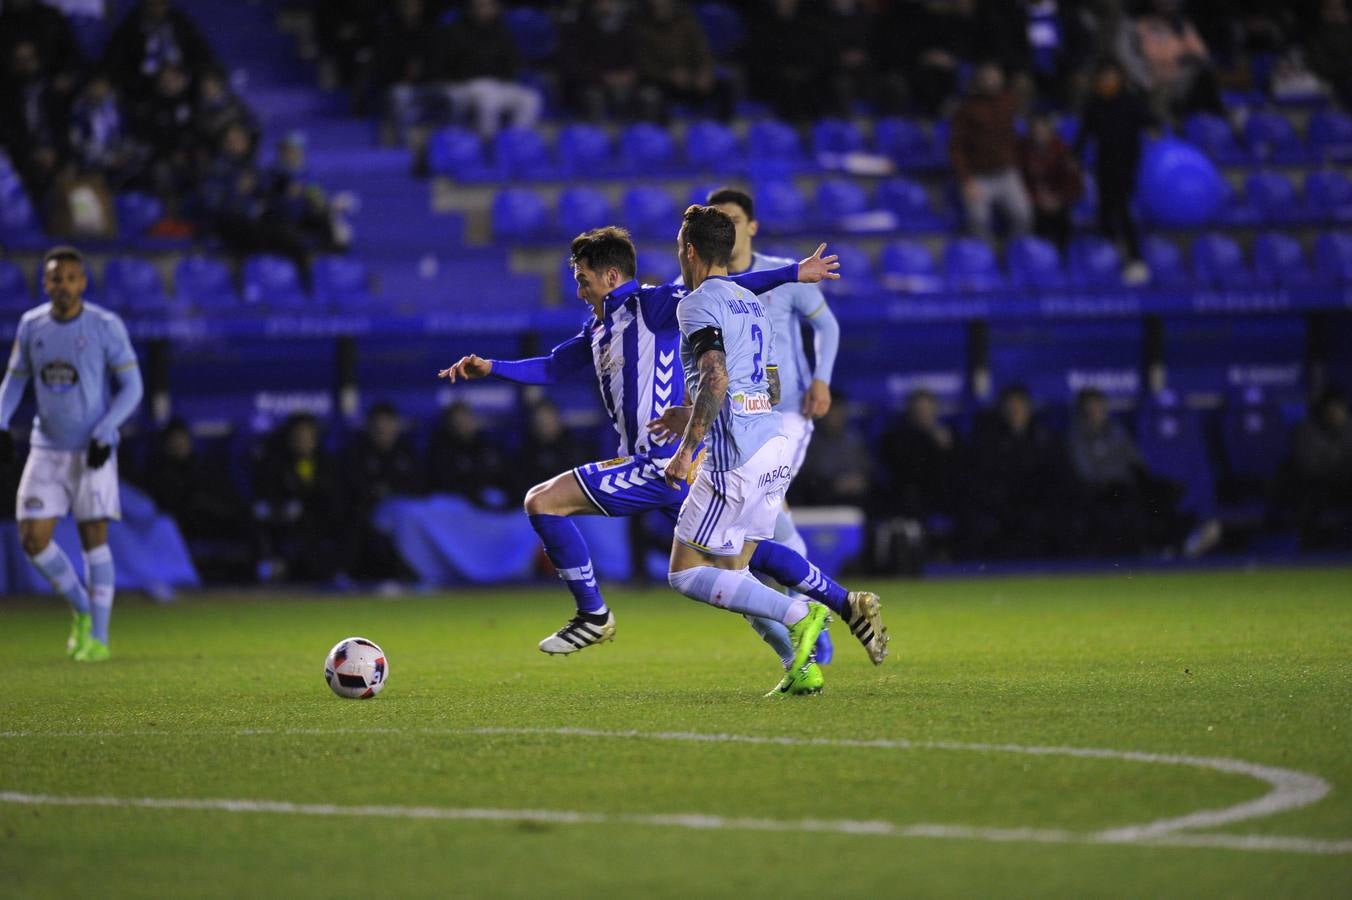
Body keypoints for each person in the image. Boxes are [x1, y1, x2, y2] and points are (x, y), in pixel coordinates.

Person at [440, 226, 886, 684]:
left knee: (542, 501)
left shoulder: (650, 306)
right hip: (677, 465)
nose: (579, 289)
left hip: (661, 463)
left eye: (583, 278)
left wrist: (794, 273)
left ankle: (593, 614)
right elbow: (554, 366)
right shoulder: (599, 329)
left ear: (612, 276)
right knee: (738, 565)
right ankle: (826, 630)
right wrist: (492, 367)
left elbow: (722, 290)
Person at [661, 206, 883, 696]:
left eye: (680, 245)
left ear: (690, 251)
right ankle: (803, 659)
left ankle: (802, 612)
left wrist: (687, 449)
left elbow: (715, 377)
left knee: (684, 572)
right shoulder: (750, 303)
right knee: (738, 569)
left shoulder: (695, 304)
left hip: (734, 455)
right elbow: (771, 381)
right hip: (772, 442)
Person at [705, 187, 846, 662]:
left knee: (769, 508)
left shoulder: (783, 274)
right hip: (735, 418)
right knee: (755, 524)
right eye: (716, 219)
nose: (725, 226)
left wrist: (822, 379)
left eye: (732, 218)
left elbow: (827, 326)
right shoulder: (706, 287)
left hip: (787, 413)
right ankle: (807, 612)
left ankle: (807, 612)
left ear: (751, 226)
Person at [0, 246, 144, 661]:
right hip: (46, 447)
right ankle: (83, 607)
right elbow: (14, 381)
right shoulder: (32, 325)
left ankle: (97, 637)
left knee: (93, 539)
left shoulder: (104, 325)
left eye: (70, 278)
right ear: (44, 283)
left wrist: (106, 429)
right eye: (54, 278)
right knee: (32, 538)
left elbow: (132, 387)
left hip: (92, 450)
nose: (62, 286)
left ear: (82, 282)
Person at [1075, 58, 1155, 285]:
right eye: (1103, 77)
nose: (1107, 81)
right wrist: (1075, 156)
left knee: (1122, 210)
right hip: (1104, 165)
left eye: (1111, 76)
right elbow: (1084, 133)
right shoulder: (1094, 104)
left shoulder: (1131, 102)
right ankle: (1108, 260)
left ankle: (1136, 259)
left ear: (1120, 79)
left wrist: (1155, 129)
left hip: (1128, 166)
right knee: (1104, 212)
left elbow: (1150, 121)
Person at [949, 62, 1032, 241]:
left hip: (1007, 172)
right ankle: (984, 260)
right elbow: (957, 147)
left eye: (995, 77)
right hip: (978, 176)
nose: (991, 82)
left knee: (1023, 215)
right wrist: (966, 180)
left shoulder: (1009, 101)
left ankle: (1014, 255)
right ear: (978, 81)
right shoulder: (966, 109)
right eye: (986, 78)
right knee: (978, 219)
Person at [342, 402, 421, 580]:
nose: (383, 431)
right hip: (369, 513)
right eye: (378, 428)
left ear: (396, 426)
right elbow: (356, 490)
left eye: (388, 426)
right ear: (370, 428)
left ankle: (420, 573)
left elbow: (418, 487)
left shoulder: (406, 452)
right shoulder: (356, 454)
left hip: (406, 514)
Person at [444, 0, 544, 137]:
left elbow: (513, 62)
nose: (485, 10)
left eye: (489, 6)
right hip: (464, 85)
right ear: (471, 8)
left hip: (497, 83)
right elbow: (451, 65)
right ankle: (488, 142)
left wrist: (505, 75)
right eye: (480, 6)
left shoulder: (501, 30)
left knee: (531, 99)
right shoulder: (455, 31)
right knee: (488, 97)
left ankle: (515, 139)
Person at [1017, 112, 1083, 254]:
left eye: (1043, 131)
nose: (1039, 135)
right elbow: (1019, 182)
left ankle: (1062, 256)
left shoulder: (1062, 151)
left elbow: (1074, 182)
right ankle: (1038, 256)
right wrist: (1037, 198)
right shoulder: (1022, 152)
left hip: (1059, 201)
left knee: (1063, 218)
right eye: (1036, 131)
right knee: (1031, 216)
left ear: (1051, 132)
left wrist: (1059, 199)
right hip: (1034, 201)